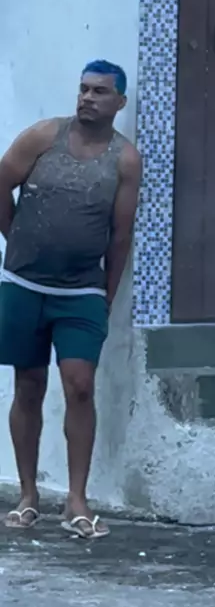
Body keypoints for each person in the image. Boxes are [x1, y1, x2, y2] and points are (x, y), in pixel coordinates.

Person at [0, 60, 142, 538]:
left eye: (100, 92)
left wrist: (106, 295)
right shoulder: (44, 137)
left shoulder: (125, 160)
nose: (87, 98)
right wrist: (16, 238)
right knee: (29, 384)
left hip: (81, 291)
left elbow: (120, 235)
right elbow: (1, 182)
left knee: (80, 386)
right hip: (24, 285)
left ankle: (76, 501)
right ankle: (28, 496)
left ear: (119, 102)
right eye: (83, 89)